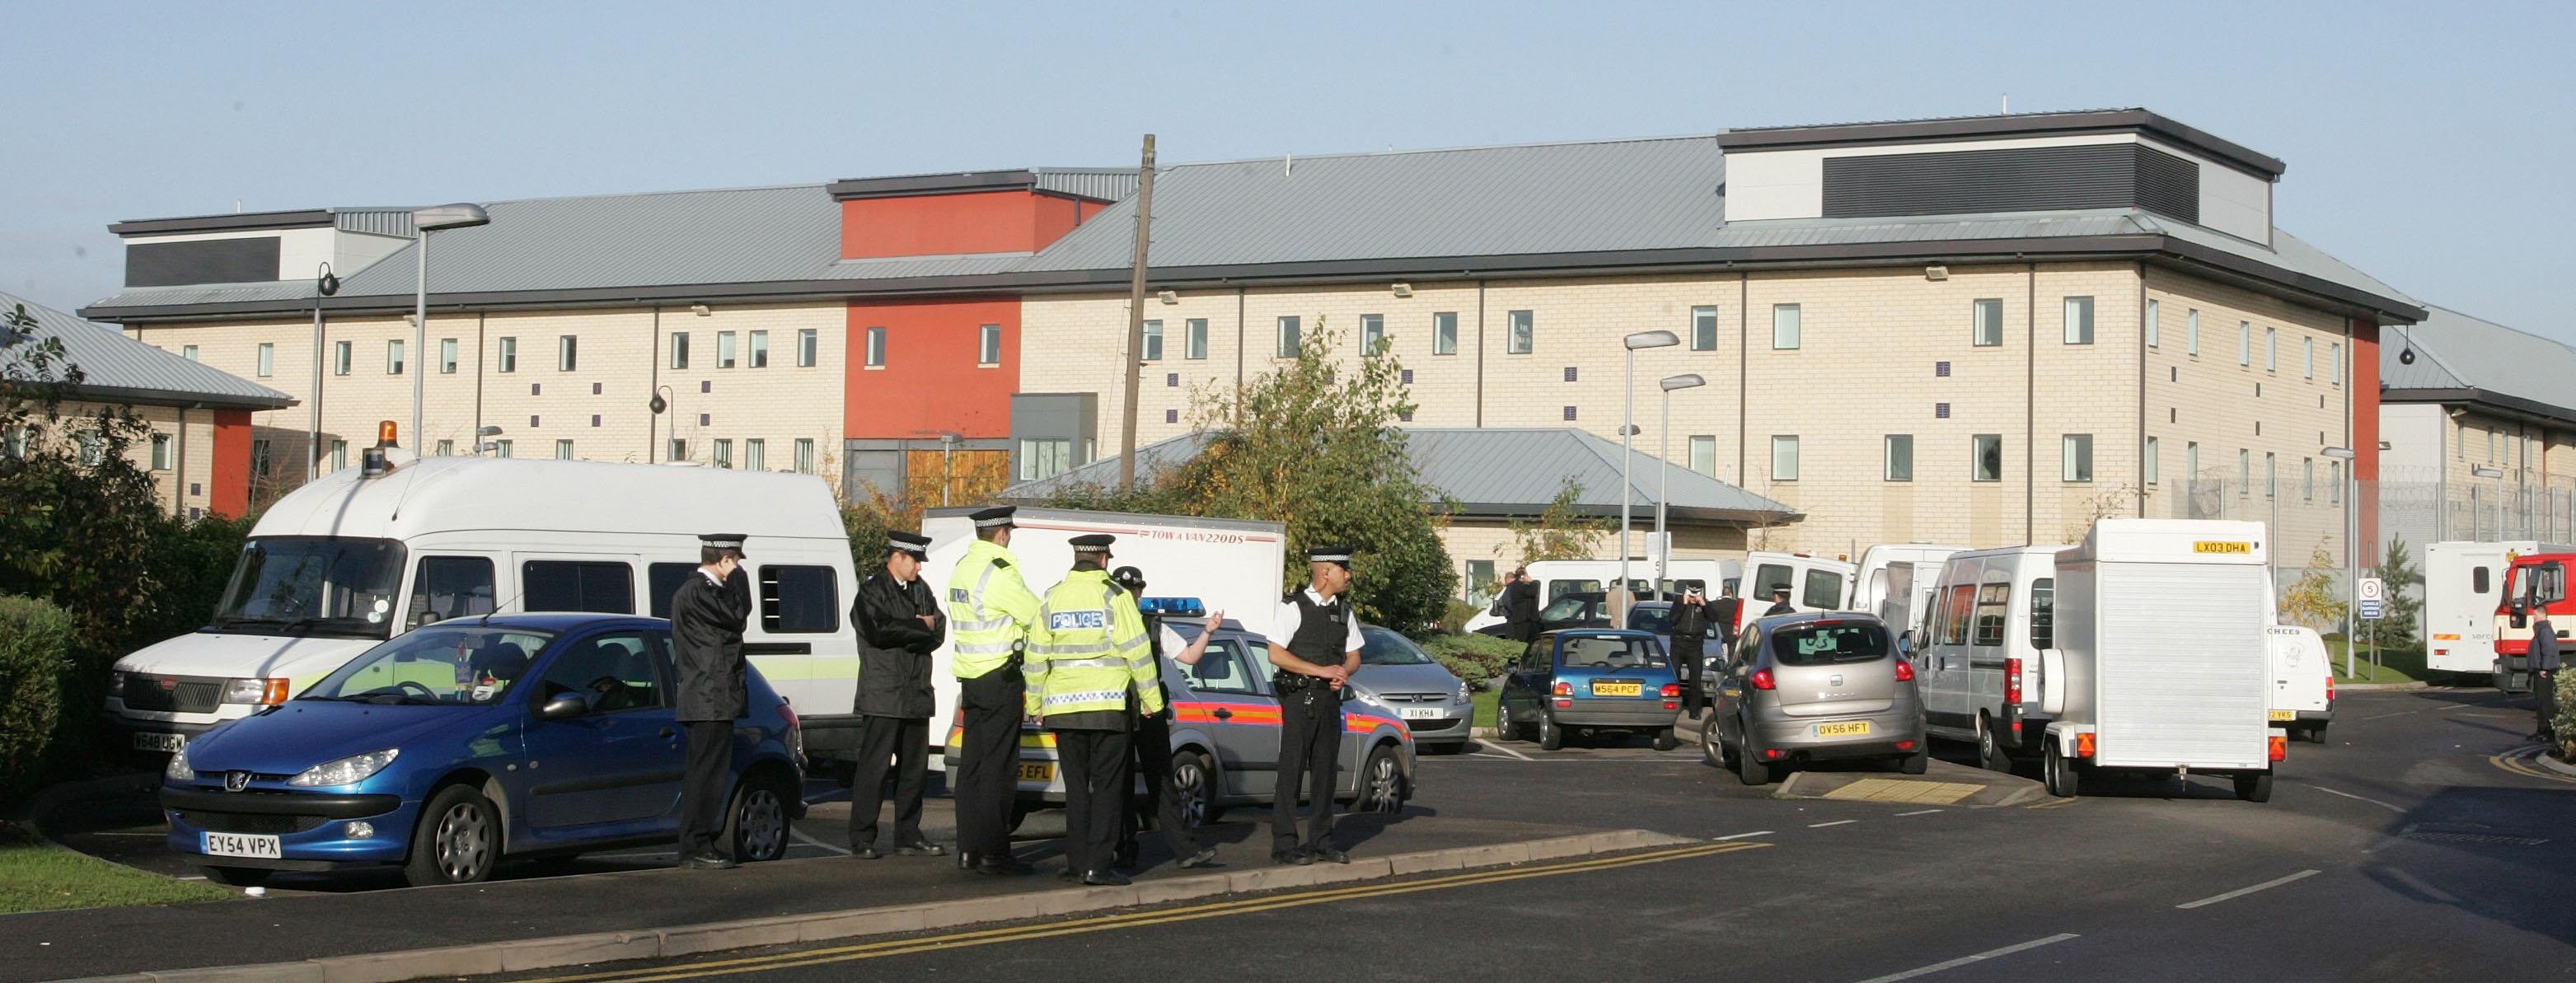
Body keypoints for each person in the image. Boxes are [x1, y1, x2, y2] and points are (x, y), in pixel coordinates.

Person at [1025, 534, 1163, 887]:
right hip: (1107, 708)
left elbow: (1036, 655)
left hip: (1063, 710)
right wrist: (1152, 702)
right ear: (1104, 560)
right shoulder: (1116, 597)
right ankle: (1098, 867)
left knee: (1075, 790)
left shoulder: (1052, 596)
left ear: (1077, 557)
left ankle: (1076, 861)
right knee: (1106, 789)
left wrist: (1035, 703)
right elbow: (1139, 652)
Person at [1108, 564, 1223, 872]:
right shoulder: (1108, 624)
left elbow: (1189, 656)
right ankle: (1124, 849)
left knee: (1159, 780)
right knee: (1122, 784)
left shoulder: (1153, 626)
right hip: (1122, 709)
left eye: (1133, 591)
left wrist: (1208, 631)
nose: (1131, 596)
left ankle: (1180, 849)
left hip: (1144, 711)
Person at [945, 506, 1040, 876]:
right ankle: (994, 853)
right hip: (1000, 677)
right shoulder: (1000, 572)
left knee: (971, 767)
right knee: (998, 770)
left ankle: (968, 849)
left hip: (970, 679)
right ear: (1001, 534)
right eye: (1009, 533)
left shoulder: (962, 568)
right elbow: (1036, 617)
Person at [847, 531, 947, 859]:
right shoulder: (873, 590)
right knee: (874, 770)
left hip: (916, 693)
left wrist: (916, 627)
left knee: (913, 772)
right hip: (884, 694)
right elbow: (878, 631)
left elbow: (939, 631)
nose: (919, 567)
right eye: (915, 560)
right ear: (898, 558)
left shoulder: (921, 589)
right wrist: (919, 625)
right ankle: (862, 836)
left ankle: (908, 834)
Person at [1265, 545, 1364, 866]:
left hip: (1328, 700)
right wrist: (1321, 671)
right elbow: (1276, 654)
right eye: (1342, 569)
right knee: (1291, 771)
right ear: (1325, 571)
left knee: (1325, 773)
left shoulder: (1343, 610)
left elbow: (1354, 656)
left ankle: (1321, 841)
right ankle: (1284, 844)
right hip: (1299, 698)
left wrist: (1343, 673)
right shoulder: (1293, 607)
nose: (1348, 575)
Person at [672, 533, 752, 870]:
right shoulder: (697, 592)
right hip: (708, 697)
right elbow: (736, 615)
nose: (737, 570)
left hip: (715, 697)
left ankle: (701, 842)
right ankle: (695, 846)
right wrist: (739, 581)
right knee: (705, 776)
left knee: (712, 775)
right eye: (735, 563)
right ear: (723, 560)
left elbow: (737, 616)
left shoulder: (706, 592)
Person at [1668, 587, 1711, 715]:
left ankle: (1694, 711)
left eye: (1695, 596)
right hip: (1678, 642)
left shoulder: (1703, 604)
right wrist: (1683, 604)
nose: (1693, 599)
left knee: (1695, 679)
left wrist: (1704, 605)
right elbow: (1673, 619)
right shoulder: (1679, 602)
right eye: (1691, 596)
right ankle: (1673, 707)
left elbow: (1713, 618)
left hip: (1695, 644)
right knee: (1674, 677)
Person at [2533, 611, 2560, 741]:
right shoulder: (2541, 630)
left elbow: (2548, 650)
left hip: (2544, 671)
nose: (2533, 617)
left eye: (2535, 614)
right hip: (2540, 670)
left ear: (2542, 615)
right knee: (2540, 701)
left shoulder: (2545, 631)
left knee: (2545, 702)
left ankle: (2548, 732)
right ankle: (2542, 730)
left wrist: (2544, 668)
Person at [1501, 568, 1541, 643]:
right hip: (1522, 620)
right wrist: (1532, 582)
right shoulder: (1520, 586)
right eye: (1526, 575)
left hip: (1518, 619)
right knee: (1524, 642)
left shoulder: (1514, 586)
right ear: (1523, 576)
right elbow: (1532, 592)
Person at [1710, 583, 1744, 648]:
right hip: (1732, 633)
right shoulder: (1736, 604)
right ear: (1731, 594)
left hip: (1719, 632)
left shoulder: (1714, 604)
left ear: (1722, 595)